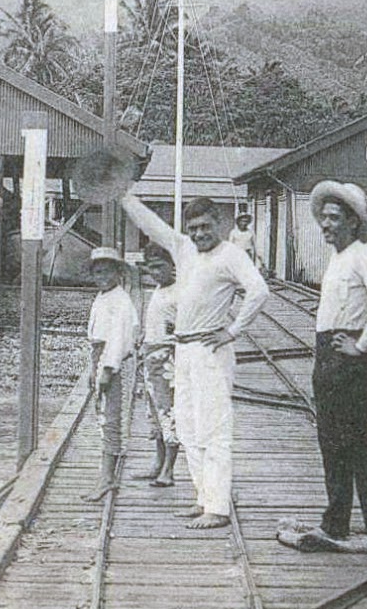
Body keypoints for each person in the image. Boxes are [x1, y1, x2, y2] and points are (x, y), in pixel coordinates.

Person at [118, 194, 269, 530]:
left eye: (205, 227)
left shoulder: (231, 255)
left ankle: (218, 507)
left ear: (220, 223)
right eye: (194, 228)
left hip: (210, 350)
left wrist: (232, 330)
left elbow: (259, 291)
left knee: (214, 428)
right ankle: (203, 497)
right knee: (187, 426)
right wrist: (124, 195)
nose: (199, 234)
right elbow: (152, 226)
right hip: (182, 348)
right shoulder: (184, 249)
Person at [308, 180, 367, 549]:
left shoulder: (362, 254)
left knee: (350, 442)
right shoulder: (340, 257)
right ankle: (348, 520)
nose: (326, 225)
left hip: (345, 359)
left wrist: (361, 344)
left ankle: (356, 523)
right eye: (324, 218)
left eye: (334, 218)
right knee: (337, 442)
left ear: (352, 222)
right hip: (330, 355)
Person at [84, 246, 140, 503]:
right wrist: (92, 369)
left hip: (113, 361)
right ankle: (107, 474)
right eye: (97, 272)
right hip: (101, 356)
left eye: (107, 272)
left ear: (118, 273)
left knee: (111, 418)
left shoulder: (121, 301)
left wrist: (107, 369)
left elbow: (118, 338)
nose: (102, 277)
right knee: (104, 416)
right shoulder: (103, 297)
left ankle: (107, 476)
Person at [132, 247, 179, 487]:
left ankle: (169, 469)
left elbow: (183, 326)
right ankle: (157, 462)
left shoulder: (181, 291)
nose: (156, 272)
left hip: (168, 359)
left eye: (161, 266)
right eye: (152, 267)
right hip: (150, 357)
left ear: (172, 265)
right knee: (155, 414)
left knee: (168, 412)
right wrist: (144, 335)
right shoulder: (158, 290)